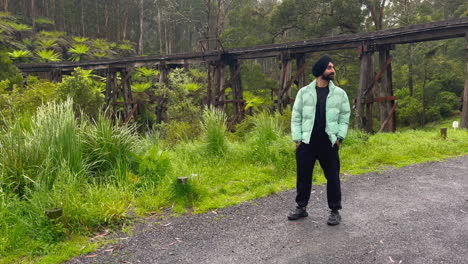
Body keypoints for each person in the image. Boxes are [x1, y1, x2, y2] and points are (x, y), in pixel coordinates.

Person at [288, 54, 350, 225]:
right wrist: (297, 139)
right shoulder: (304, 92)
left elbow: (345, 117)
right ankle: (301, 208)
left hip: (328, 142)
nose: (333, 70)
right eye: (329, 67)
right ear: (320, 70)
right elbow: (296, 117)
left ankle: (335, 210)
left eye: (333, 67)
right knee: (303, 176)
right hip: (307, 141)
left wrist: (339, 137)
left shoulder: (339, 94)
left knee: (332, 176)